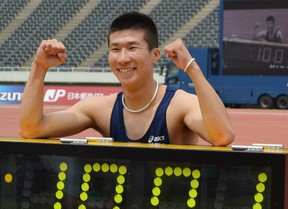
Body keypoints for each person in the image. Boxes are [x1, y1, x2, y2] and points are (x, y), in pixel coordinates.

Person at [19, 11, 235, 146]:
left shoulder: (179, 105)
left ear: (155, 55)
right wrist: (40, 67)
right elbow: (31, 129)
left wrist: (191, 67)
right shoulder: (100, 109)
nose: (122, 58)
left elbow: (222, 136)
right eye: (115, 49)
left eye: (132, 48)